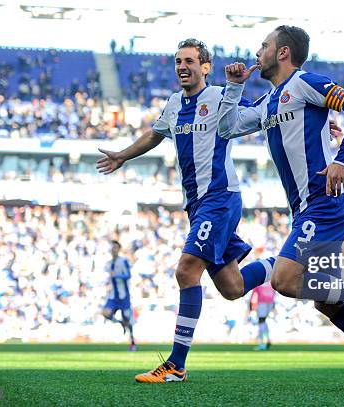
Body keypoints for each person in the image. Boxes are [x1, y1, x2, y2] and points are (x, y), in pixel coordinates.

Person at [217, 25, 344, 392]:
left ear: (282, 53)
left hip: (325, 204)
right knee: (326, 303)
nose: (257, 51)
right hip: (307, 210)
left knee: (284, 280)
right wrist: (234, 88)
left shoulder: (304, 83)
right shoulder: (268, 102)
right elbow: (228, 127)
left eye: (264, 46)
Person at [97, 38, 276, 382]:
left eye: (190, 61)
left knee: (186, 271)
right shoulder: (174, 104)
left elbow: (259, 114)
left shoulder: (221, 96)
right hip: (196, 205)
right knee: (232, 287)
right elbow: (155, 134)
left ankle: (176, 364)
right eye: (178, 61)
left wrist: (304, 120)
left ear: (205, 67)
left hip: (219, 196)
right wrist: (122, 154)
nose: (182, 66)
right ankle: (280, 264)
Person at [101, 240, 136, 351]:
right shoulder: (108, 263)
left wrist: (117, 275)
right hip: (113, 296)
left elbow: (128, 275)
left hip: (124, 296)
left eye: (115, 247)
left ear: (118, 249)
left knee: (128, 319)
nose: (113, 249)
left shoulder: (123, 261)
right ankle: (121, 323)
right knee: (105, 313)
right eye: (112, 247)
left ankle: (132, 342)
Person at [250, 282, 275, 350]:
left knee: (261, 323)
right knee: (264, 323)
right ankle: (268, 340)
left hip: (262, 304)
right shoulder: (270, 283)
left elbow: (253, 296)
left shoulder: (258, 283)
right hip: (270, 304)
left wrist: (250, 308)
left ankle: (262, 343)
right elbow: (273, 295)